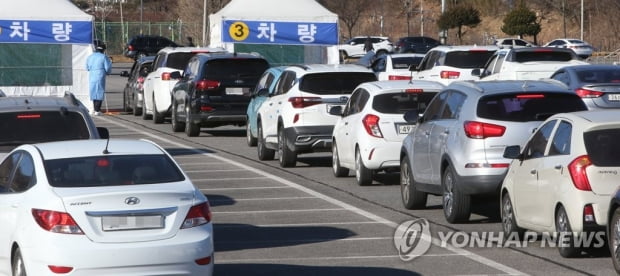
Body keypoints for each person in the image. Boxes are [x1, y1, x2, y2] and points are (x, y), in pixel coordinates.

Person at [86, 42, 112, 116]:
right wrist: (108, 72)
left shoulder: (90, 56)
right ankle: (97, 109)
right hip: (100, 75)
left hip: (92, 75)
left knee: (93, 91)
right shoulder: (103, 57)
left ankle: (94, 109)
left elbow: (87, 67)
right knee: (99, 91)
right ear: (103, 50)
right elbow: (107, 67)